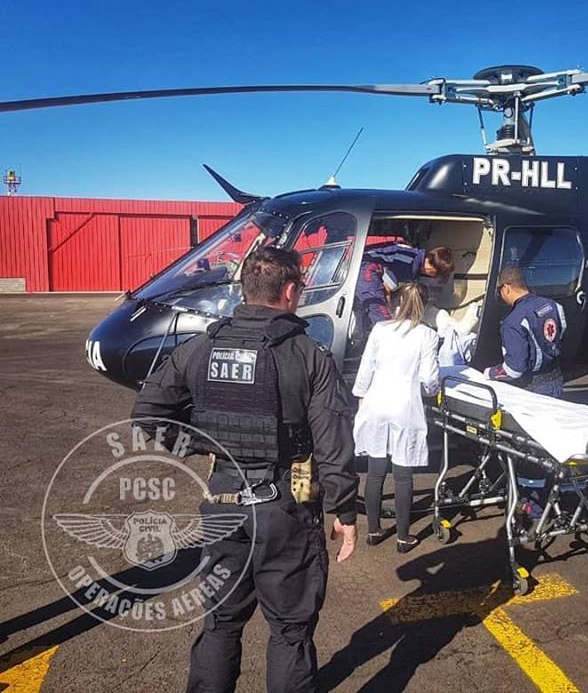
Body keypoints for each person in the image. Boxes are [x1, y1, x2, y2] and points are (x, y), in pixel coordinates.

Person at [131, 246, 358, 693]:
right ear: (290, 291)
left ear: (245, 290)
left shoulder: (200, 348)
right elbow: (334, 444)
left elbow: (147, 414)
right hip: (285, 511)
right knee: (290, 631)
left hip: (222, 505)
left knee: (220, 624)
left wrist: (199, 444)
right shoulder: (309, 355)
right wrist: (345, 512)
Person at [352, 281, 440, 554]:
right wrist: (430, 390)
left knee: (375, 471)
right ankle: (403, 537)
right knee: (403, 474)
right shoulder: (427, 335)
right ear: (424, 305)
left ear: (396, 302)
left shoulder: (380, 329)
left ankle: (374, 531)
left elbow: (365, 369)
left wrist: (360, 397)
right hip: (405, 407)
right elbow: (429, 380)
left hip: (376, 403)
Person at [485, 265, 566, 397]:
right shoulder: (553, 305)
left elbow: (514, 370)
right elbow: (561, 335)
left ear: (506, 288)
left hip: (533, 389)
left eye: (500, 291)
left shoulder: (513, 322)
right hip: (556, 380)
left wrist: (489, 373)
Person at [355, 242, 454, 333]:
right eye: (437, 274)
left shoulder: (415, 255)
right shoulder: (410, 265)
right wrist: (390, 313)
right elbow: (386, 289)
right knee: (381, 317)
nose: (435, 277)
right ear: (433, 268)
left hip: (366, 262)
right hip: (368, 268)